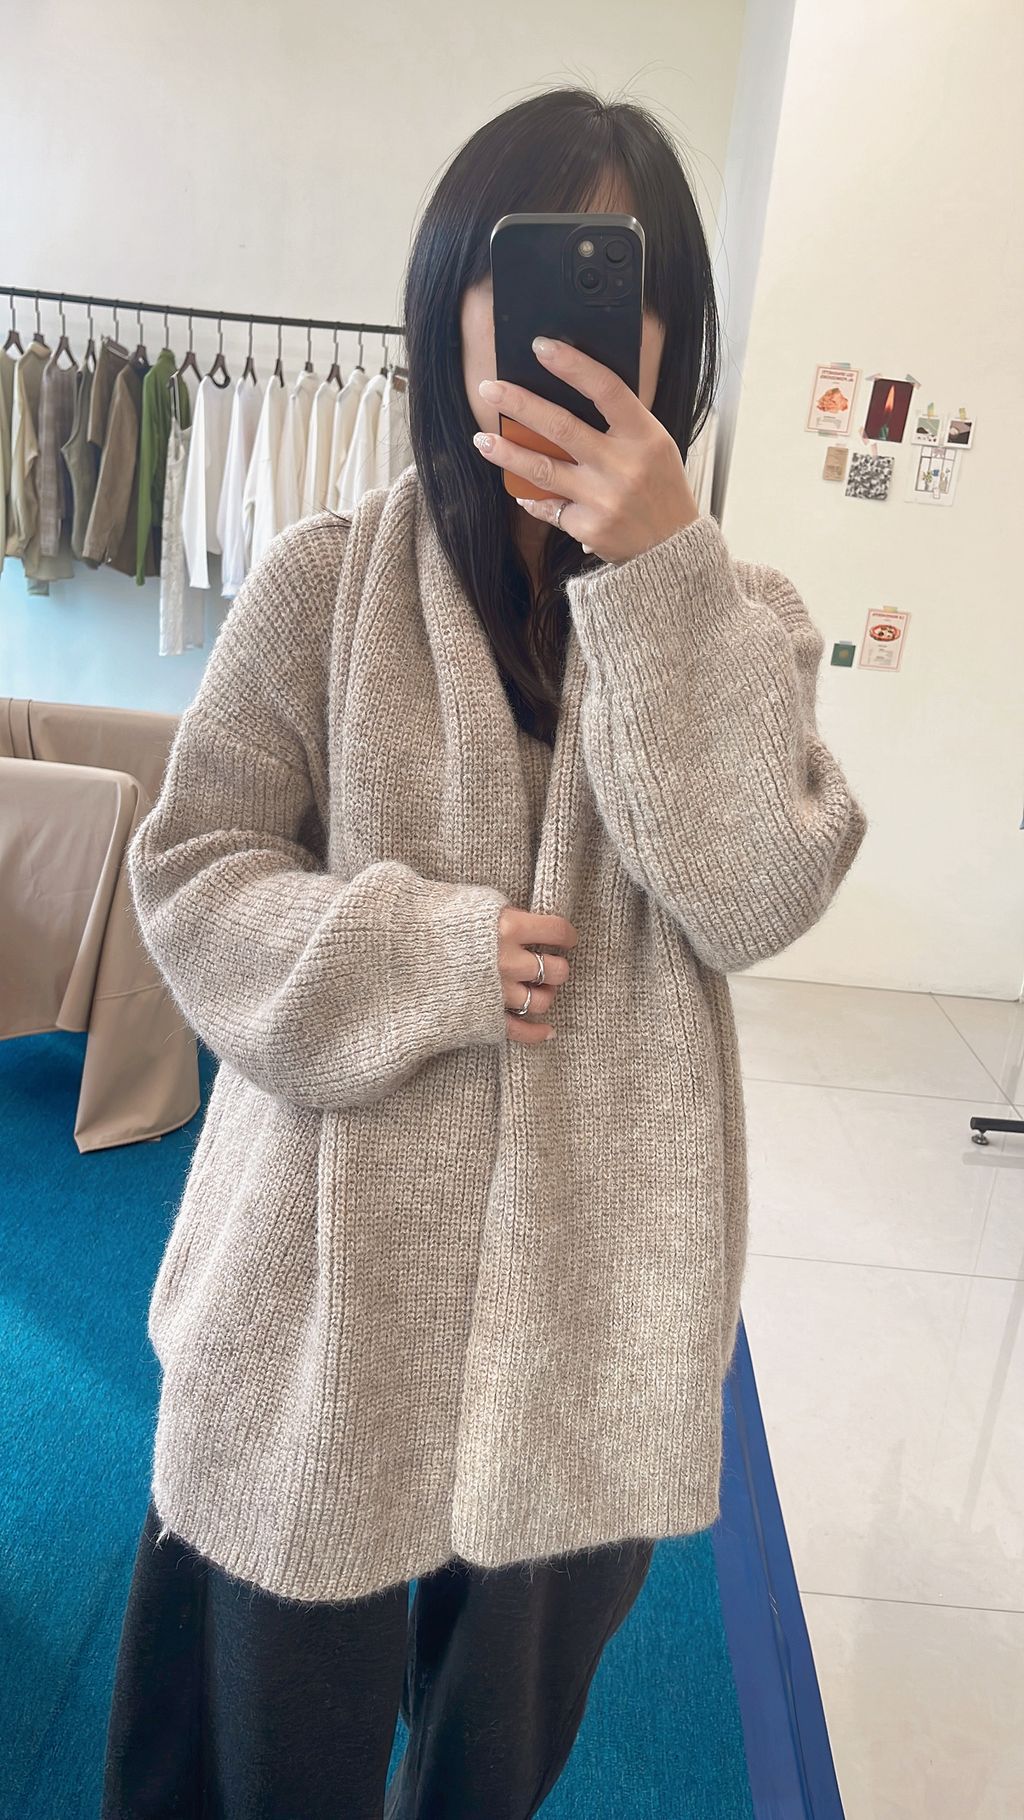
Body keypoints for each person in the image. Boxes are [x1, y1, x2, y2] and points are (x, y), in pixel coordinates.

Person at [102, 85, 867, 1820]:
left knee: (493, 1759)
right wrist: (423, 956)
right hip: (322, 1289)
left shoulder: (743, 621)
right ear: (448, 298)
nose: (570, 325)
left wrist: (660, 575)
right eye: (524, 271)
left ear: (676, 338)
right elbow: (194, 876)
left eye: (623, 280)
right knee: (263, 1749)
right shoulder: (319, 582)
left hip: (592, 1300)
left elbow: (754, 895)